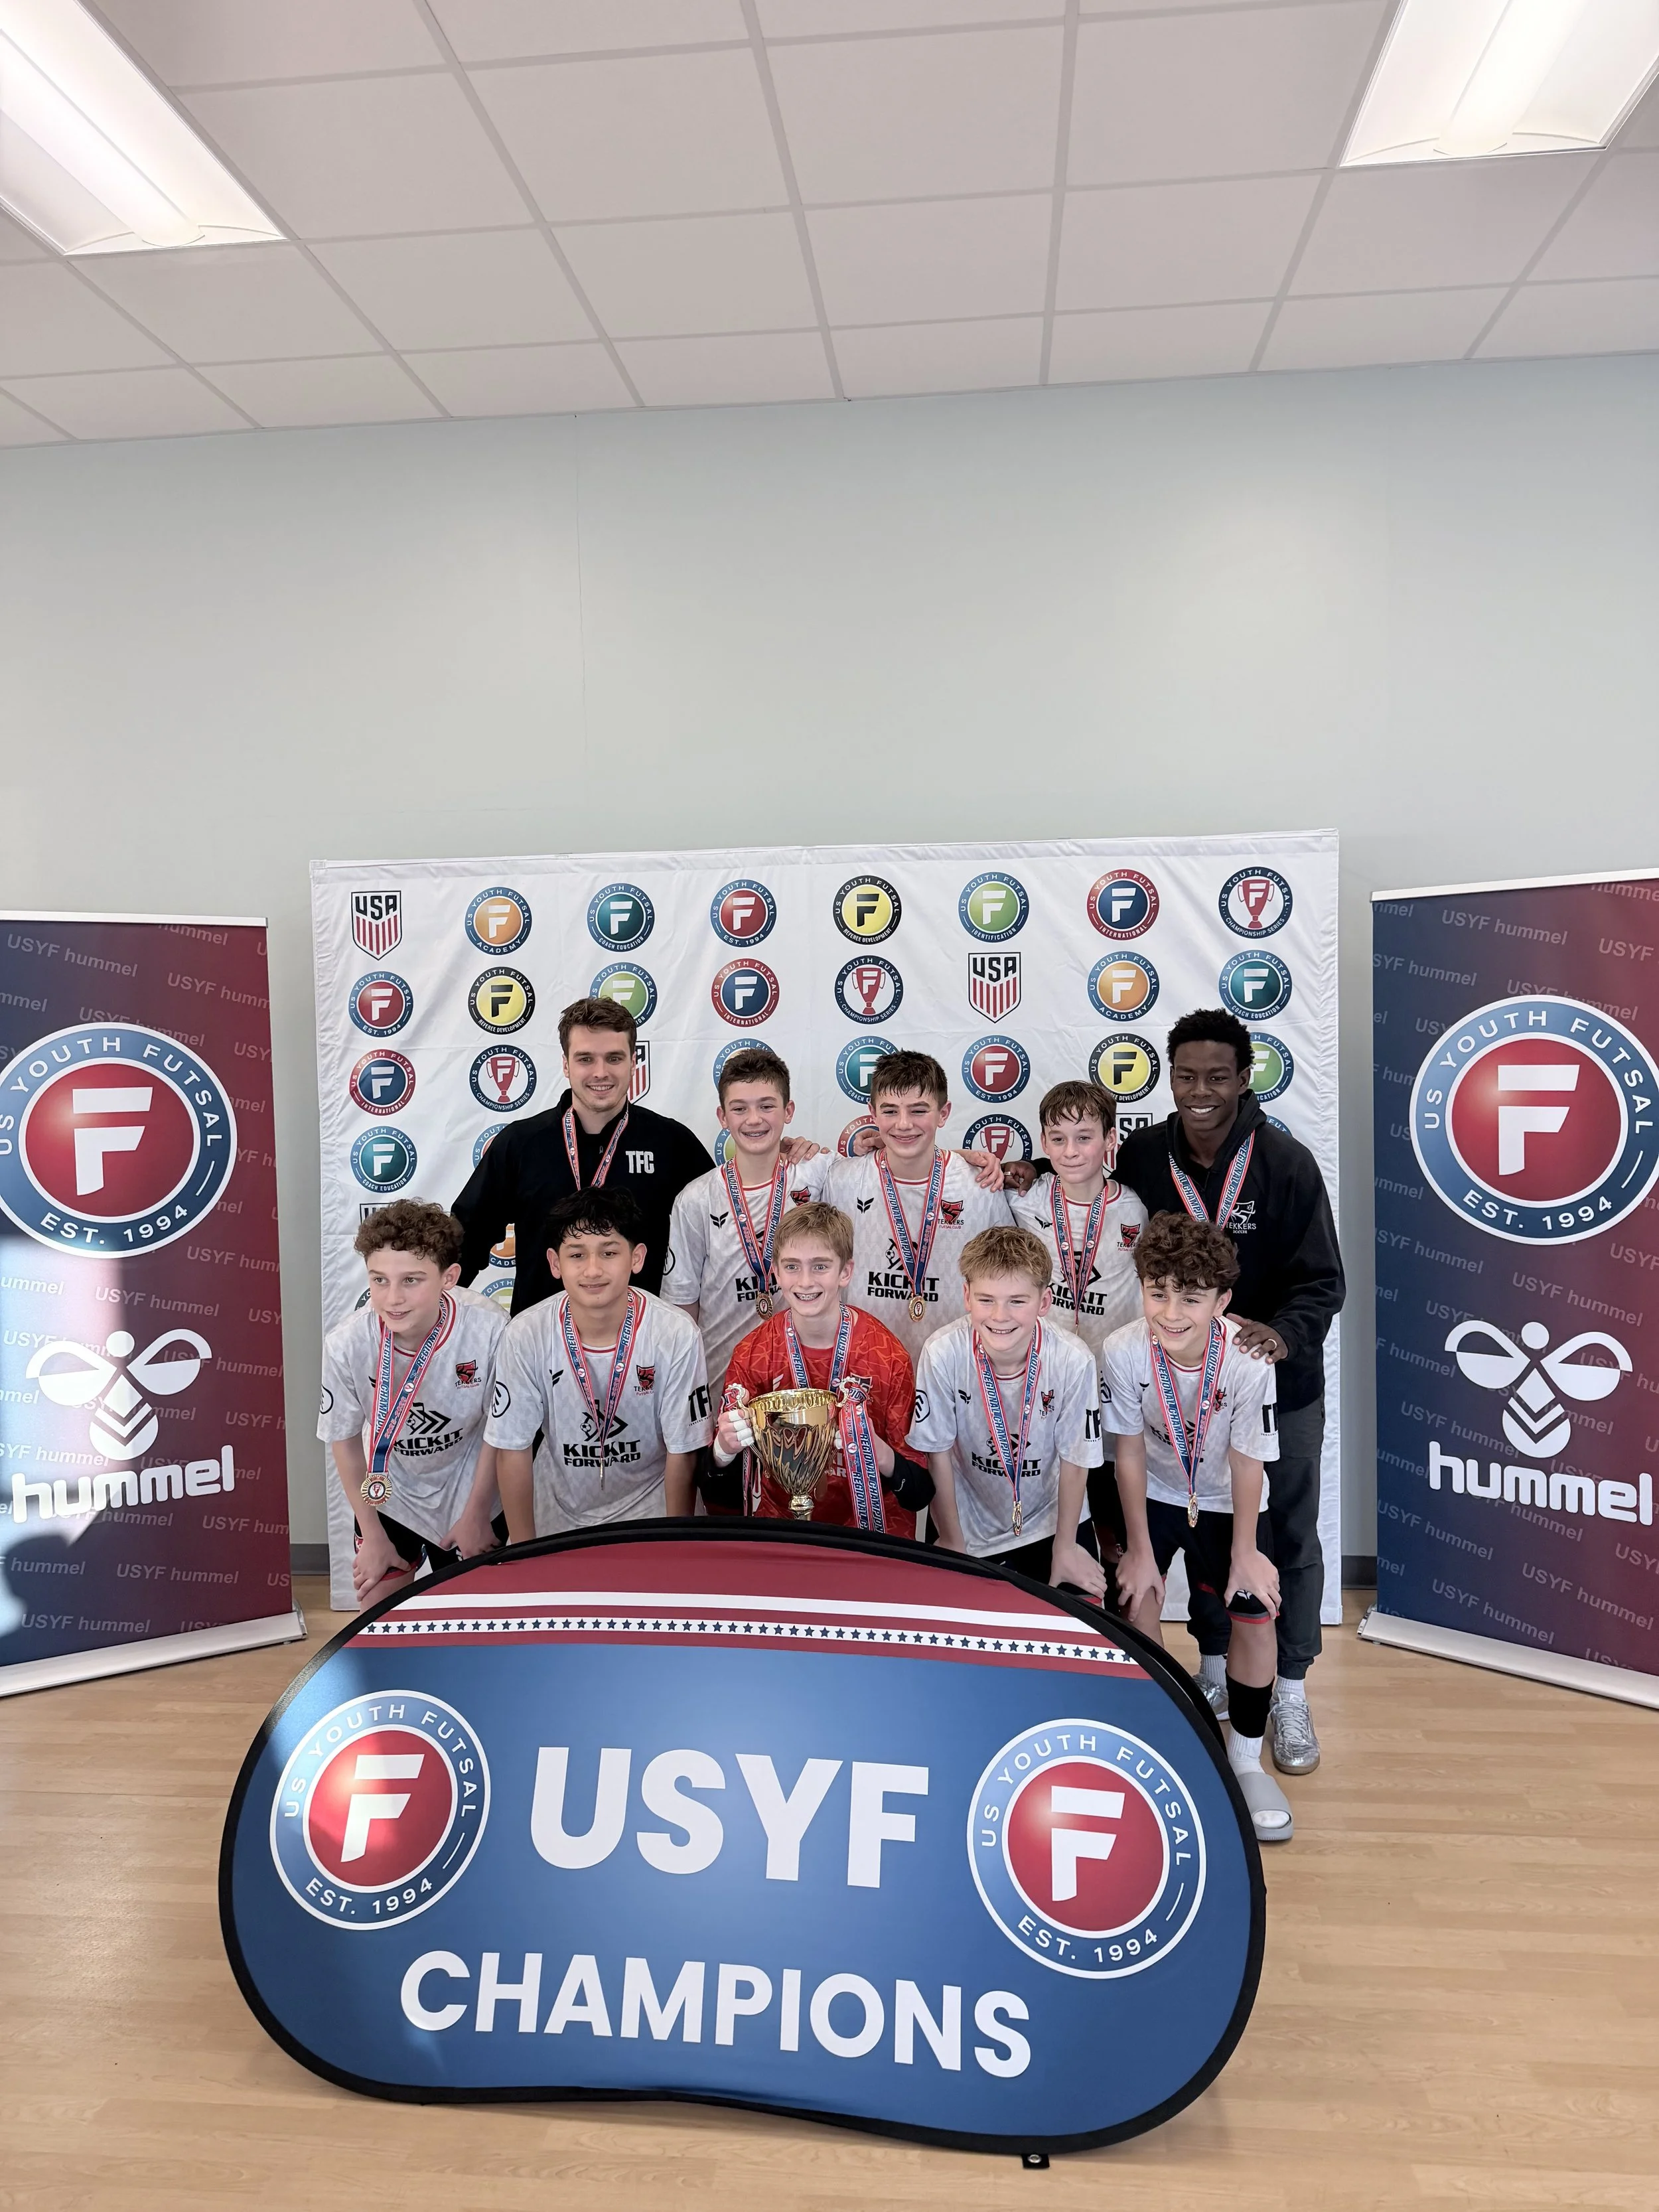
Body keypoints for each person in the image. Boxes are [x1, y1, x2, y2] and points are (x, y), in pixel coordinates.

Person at [1113, 1007, 1344, 1777]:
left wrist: (1279, 1337)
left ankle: (1291, 1687)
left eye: (1217, 1077)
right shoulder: (1145, 1154)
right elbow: (1076, 1180)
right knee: (1201, 1523)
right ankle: (1217, 1669)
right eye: (1185, 1077)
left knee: (1286, 1542)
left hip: (1276, 1385)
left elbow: (1322, 1282)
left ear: (1244, 1079)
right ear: (1168, 1078)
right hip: (1177, 1391)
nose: (1200, 1091)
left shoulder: (1284, 1163)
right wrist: (1017, 1173)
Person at [1102, 1211, 1291, 1843]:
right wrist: (1136, 1549)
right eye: (1158, 1292)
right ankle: (1166, 1744)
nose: (1173, 1310)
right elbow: (1127, 1451)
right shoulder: (1124, 1348)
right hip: (1153, 1492)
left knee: (1253, 1608)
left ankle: (1245, 1759)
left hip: (1224, 1498)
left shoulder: (1246, 1357)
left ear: (1223, 1300)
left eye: (1192, 1296)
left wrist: (1244, 1552)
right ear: (1142, 1288)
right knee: (1137, 1598)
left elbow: (1248, 1459)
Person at [452, 996, 715, 1314]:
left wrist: (776, 1157)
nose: (601, 1073)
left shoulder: (672, 1142)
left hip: (645, 1344)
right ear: (566, 1064)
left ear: (634, 1062)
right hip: (541, 1344)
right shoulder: (521, 1144)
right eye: (586, 1059)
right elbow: (466, 1238)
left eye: (614, 1058)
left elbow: (721, 1224)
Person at [485, 1187, 711, 1537]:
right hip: (558, 1515)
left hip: (653, 1511)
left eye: (609, 1252)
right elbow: (512, 1448)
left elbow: (683, 1453)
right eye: (577, 1255)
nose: (593, 1270)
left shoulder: (677, 1334)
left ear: (637, 1258)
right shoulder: (525, 1333)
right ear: (554, 1263)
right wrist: (522, 1551)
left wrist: (674, 1544)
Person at [318, 1199, 506, 1608]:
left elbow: (501, 1432)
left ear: (449, 1277)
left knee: (476, 1623)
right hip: (390, 1494)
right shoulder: (347, 1343)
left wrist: (476, 1513)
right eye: (379, 1280)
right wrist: (372, 1535)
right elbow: (344, 1442)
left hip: (470, 1490)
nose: (392, 1299)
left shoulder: (490, 1329)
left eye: (412, 1280)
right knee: (375, 1617)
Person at [907, 1225, 1106, 1596]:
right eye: (987, 1300)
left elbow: (1077, 1460)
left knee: (1084, 1623)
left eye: (1017, 1301)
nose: (1000, 1316)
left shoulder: (1073, 1359)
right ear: (966, 1296)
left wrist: (1065, 1547)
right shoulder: (942, 1352)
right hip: (967, 1520)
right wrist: (952, 1539)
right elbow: (937, 1454)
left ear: (1044, 1302)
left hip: (1053, 1519)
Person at [713, 1201, 930, 1537]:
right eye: (792, 1266)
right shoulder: (753, 1354)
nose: (804, 1281)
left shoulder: (888, 1357)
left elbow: (918, 1492)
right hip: (781, 1532)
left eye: (820, 1266)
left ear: (846, 1272)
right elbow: (720, 1495)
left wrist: (879, 1453)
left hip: (871, 1536)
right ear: (776, 1273)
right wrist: (722, 1452)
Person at [1007, 1079, 1148, 1578]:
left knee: (1117, 1534)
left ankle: (1123, 1643)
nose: (1071, 1150)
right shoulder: (1023, 1199)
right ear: (1043, 1143)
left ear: (1110, 1139)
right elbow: (963, 1173)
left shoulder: (1137, 1206)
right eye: (1059, 1138)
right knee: (1057, 1522)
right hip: (1047, 1387)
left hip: (1116, 1388)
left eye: (1085, 1137)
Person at [660, 1047, 834, 1402]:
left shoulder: (820, 1173)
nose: (754, 1119)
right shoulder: (696, 1199)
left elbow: (893, 1167)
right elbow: (683, 1308)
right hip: (723, 1387)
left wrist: (966, 1160)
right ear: (723, 1117)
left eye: (767, 1106)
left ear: (789, 1111)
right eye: (740, 1108)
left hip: (811, 1389)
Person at [825, 1050, 1013, 1371]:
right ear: (872, 1112)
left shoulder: (979, 1183)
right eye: (890, 1110)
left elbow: (1007, 1277)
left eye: (919, 1110)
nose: (903, 1124)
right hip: (864, 1370)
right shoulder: (840, 1180)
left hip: (957, 1370)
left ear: (943, 1113)